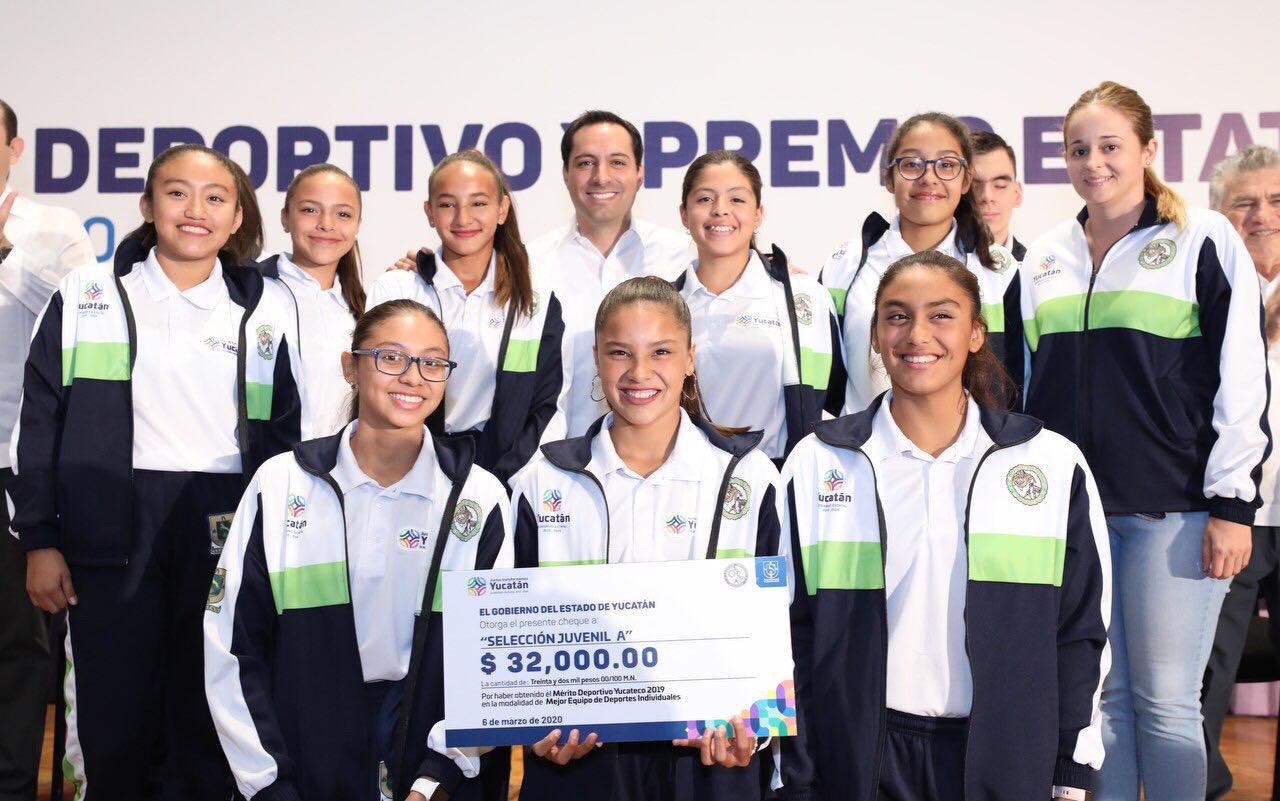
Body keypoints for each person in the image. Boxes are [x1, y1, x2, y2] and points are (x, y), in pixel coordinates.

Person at [9, 143, 301, 800]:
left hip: (222, 522)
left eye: (215, 198)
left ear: (236, 218)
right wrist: (40, 539)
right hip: (109, 527)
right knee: (114, 717)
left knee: (208, 711)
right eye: (176, 193)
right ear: (147, 205)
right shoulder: (87, 293)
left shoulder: (268, 308)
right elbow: (40, 421)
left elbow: (285, 434)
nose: (195, 210)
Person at [779, 250, 1110, 801]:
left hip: (1005, 756)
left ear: (976, 333)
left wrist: (1070, 769)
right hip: (858, 757)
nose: (917, 334)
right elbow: (789, 630)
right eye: (897, 316)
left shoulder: (1051, 462)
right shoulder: (818, 461)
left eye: (941, 315)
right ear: (875, 335)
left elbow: (1080, 631)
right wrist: (794, 769)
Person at [1019, 81, 1270, 800]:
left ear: (1148, 149)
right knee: (1107, 704)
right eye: (1078, 149)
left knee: (1165, 703)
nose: (1093, 162)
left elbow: (1241, 379)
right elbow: (1030, 391)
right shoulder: (1045, 258)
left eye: (1110, 146)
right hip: (1078, 518)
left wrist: (1232, 504)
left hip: (1175, 513)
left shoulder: (1203, 238)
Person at [205, 298, 512, 801]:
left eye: (432, 362)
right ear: (351, 367)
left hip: (428, 758)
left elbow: (490, 659)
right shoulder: (281, 484)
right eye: (391, 357)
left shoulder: (478, 497)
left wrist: (436, 778)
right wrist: (269, 783)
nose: (412, 376)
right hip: (302, 754)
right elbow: (231, 646)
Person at [510, 275, 780, 801]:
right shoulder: (542, 481)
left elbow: (782, 624)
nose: (639, 372)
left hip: (709, 764)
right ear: (596, 358)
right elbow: (509, 626)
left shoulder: (749, 476)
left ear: (690, 358)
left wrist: (755, 728)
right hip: (580, 764)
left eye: (661, 351)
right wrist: (534, 725)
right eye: (619, 353)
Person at [388, 111, 691, 437]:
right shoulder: (524, 267)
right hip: (546, 458)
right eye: (585, 163)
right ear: (565, 174)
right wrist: (426, 272)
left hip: (660, 453)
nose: (601, 177)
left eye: (617, 162)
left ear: (640, 173)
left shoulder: (683, 258)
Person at [0, 96, 95, 801]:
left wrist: (6, 254)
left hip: (14, 463)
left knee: (22, 646)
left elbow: (82, 319)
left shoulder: (52, 228)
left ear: (14, 149)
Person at [368, 149, 564, 485]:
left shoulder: (535, 302)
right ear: (429, 212)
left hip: (503, 473)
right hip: (406, 467)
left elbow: (545, 404)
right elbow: (373, 389)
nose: (463, 218)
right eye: (447, 204)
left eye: (478, 203)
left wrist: (503, 481)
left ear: (502, 209)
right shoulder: (397, 288)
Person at [821, 113, 1022, 413]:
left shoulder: (998, 269)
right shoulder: (845, 265)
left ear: (966, 180)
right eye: (912, 164)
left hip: (973, 441)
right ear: (889, 178)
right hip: (865, 439)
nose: (929, 177)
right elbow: (825, 381)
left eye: (947, 165)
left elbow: (1015, 380)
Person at [673, 150, 843, 464]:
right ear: (684, 214)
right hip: (688, 477)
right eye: (705, 199)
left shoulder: (802, 296)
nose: (720, 210)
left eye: (736, 199)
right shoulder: (664, 307)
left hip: (778, 476)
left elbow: (839, 396)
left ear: (758, 214)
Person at [1199, 144, 1280, 801]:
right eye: (1244, 203)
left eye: (1277, 200)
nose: (1262, 216)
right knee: (1204, 671)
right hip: (1230, 512)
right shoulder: (1203, 286)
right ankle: (1198, 785)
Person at [259, 163, 367, 438]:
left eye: (343, 214)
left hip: (346, 460)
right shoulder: (250, 290)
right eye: (310, 210)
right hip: (269, 458)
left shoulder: (365, 309)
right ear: (285, 217)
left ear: (357, 225)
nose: (326, 224)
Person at [969, 130, 1028, 261]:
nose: (987, 196)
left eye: (1000, 185)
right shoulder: (928, 265)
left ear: (1017, 194)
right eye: (974, 186)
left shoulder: (1033, 268)